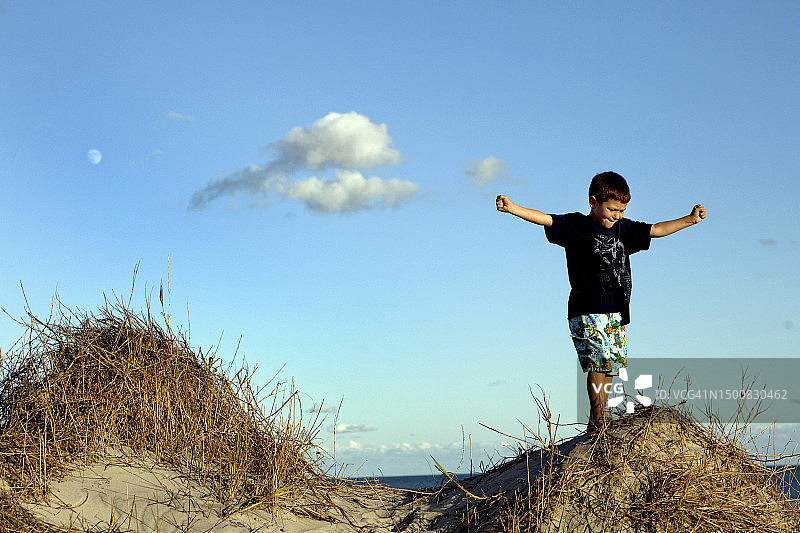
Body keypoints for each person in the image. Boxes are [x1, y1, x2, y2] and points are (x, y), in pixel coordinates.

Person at [496, 171, 706, 432]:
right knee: (599, 361)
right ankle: (598, 417)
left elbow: (656, 230)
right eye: (612, 209)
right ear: (593, 202)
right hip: (587, 309)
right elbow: (545, 218)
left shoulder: (624, 229)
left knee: (609, 367)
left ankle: (597, 421)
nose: (617, 215)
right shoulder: (577, 225)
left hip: (615, 312)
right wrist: (513, 208)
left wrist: (690, 219)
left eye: (622, 210)